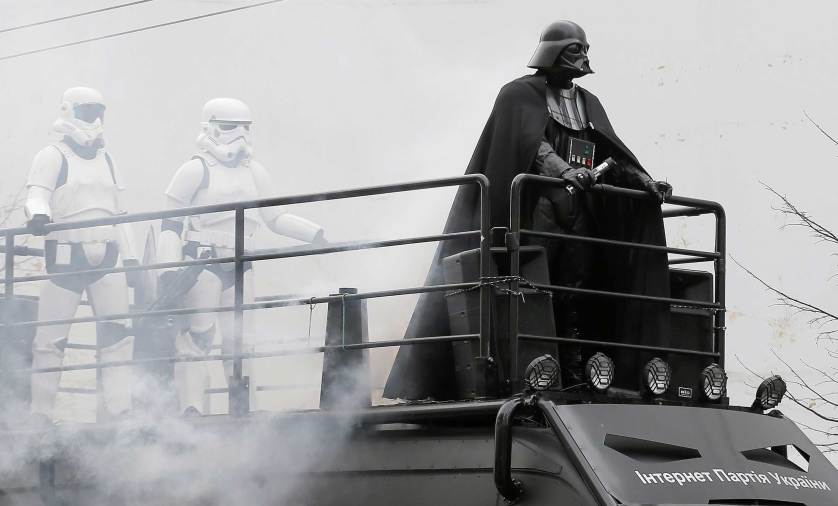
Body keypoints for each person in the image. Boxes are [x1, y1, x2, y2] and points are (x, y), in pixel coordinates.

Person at [384, 21, 673, 400]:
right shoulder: (519, 94)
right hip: (538, 208)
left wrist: (645, 181)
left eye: (586, 49)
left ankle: (575, 372)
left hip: (580, 211)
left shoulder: (589, 103)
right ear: (553, 51)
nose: (584, 57)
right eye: (575, 49)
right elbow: (531, 145)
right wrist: (564, 171)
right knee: (535, 285)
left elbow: (611, 153)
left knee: (576, 291)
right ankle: (535, 371)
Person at [157, 98, 324, 415]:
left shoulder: (254, 172)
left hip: (241, 264)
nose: (240, 136)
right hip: (202, 263)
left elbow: (275, 217)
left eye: (246, 128)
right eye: (231, 127)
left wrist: (314, 233)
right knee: (198, 338)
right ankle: (192, 409)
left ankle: (242, 408)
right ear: (211, 128)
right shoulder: (194, 170)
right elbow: (170, 225)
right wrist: (167, 272)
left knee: (242, 342)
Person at [26, 87, 138, 423]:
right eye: (87, 111)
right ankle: (41, 413)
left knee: (118, 336)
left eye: (98, 112)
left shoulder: (108, 159)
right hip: (66, 254)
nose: (94, 119)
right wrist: (38, 214)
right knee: (50, 340)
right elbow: (37, 193)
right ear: (69, 110)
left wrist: (131, 258)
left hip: (108, 254)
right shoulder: (52, 155)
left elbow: (120, 212)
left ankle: (119, 409)